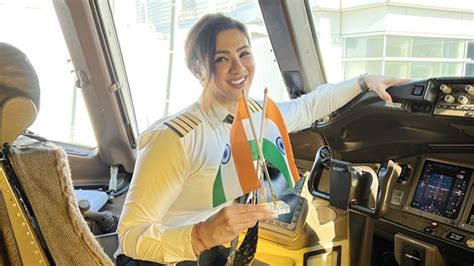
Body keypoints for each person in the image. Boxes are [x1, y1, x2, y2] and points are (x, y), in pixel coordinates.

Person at [115, 13, 408, 265]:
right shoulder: (173, 139)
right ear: (196, 68)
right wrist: (201, 235)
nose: (238, 68)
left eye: (244, 53)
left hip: (212, 250)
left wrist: (363, 81)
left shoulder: (257, 115)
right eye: (221, 58)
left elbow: (307, 107)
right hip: (159, 257)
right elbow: (130, 235)